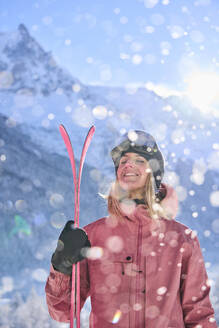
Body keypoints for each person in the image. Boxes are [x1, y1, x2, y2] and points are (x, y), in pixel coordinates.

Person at [45, 130, 217, 327]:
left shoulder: (182, 239)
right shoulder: (93, 236)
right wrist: (61, 266)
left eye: (140, 160)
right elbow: (62, 312)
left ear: (154, 173)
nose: (128, 164)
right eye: (123, 160)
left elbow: (199, 315)